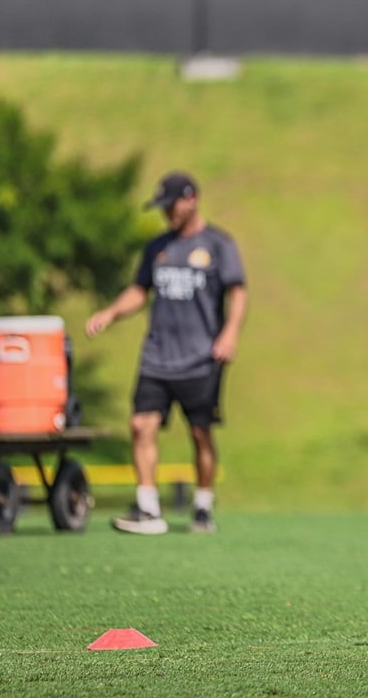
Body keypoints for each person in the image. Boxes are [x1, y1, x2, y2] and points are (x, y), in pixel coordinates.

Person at [85, 172, 247, 535]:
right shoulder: (157, 247)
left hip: (201, 358)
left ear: (192, 199)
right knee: (141, 425)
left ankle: (202, 505)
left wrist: (230, 333)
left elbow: (237, 291)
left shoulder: (219, 245)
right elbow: (140, 291)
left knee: (200, 433)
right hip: (158, 356)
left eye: (170, 205)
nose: (166, 214)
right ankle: (147, 507)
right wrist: (110, 313)